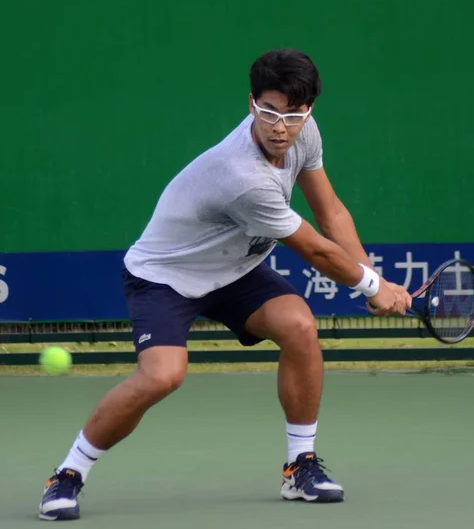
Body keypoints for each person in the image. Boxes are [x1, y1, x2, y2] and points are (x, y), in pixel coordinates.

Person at [39, 48, 411, 520]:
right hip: (167, 275)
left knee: (299, 326)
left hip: (235, 269)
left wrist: (373, 276)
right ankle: (67, 474)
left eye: (293, 115)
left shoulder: (303, 133)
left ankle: (300, 465)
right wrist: (372, 287)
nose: (281, 127)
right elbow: (315, 249)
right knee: (162, 376)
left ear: (308, 110)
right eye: (269, 112)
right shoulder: (243, 176)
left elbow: (331, 211)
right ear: (251, 103)